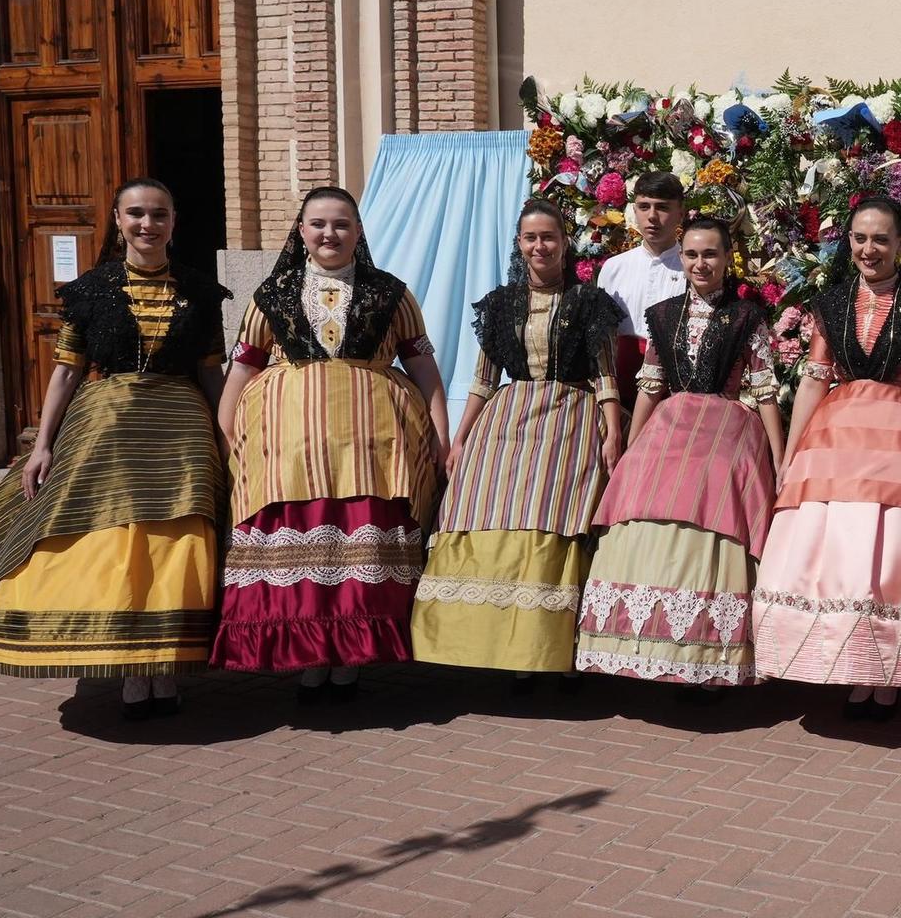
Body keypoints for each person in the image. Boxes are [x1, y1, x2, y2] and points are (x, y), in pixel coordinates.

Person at [0, 179, 228, 718]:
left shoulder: (203, 292)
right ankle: (130, 666)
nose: (148, 224)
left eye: (159, 214)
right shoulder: (89, 289)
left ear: (174, 222)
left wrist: (227, 439)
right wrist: (42, 445)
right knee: (110, 539)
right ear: (117, 220)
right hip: (107, 421)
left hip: (180, 426)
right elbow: (66, 371)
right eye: (136, 214)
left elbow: (210, 373)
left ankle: (167, 664)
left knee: (175, 540)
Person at [211, 187, 450, 700]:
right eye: (318, 224)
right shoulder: (272, 293)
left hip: (371, 446)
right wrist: (225, 428)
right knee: (306, 539)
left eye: (341, 224)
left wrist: (440, 429)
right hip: (291, 447)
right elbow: (245, 364)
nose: (329, 234)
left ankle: (350, 661)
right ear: (301, 232)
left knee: (356, 542)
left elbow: (423, 364)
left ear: (359, 232)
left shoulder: (391, 293)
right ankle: (309, 657)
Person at [752, 196, 901, 719]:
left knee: (894, 551)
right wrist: (794, 449)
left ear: (900, 246)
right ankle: (848, 664)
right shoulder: (831, 302)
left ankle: (889, 672)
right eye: (859, 238)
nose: (869, 249)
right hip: (837, 438)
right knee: (841, 549)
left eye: (880, 240)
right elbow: (813, 378)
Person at [411, 201, 625, 687]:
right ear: (519, 243)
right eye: (530, 237)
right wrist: (461, 437)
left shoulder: (589, 303)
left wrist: (613, 434)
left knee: (553, 519)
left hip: (570, 419)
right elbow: (483, 379)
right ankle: (493, 645)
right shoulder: (501, 303)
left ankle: (547, 647)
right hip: (508, 417)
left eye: (548, 236)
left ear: (565, 242)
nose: (539, 246)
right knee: (488, 506)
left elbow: (605, 376)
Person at [577, 215, 785, 690]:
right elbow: (650, 387)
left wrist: (780, 458)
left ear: (729, 258)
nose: (699, 263)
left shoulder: (746, 316)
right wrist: (631, 452)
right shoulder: (664, 313)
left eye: (710, 254)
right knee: (644, 490)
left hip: (728, 424)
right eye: (691, 254)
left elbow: (764, 390)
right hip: (670, 427)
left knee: (712, 487)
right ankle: (638, 645)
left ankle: (704, 655)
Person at [596, 171, 687, 406]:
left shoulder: (692, 270)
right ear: (634, 211)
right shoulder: (613, 268)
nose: (652, 216)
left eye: (663, 207)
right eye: (644, 206)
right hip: (619, 392)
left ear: (680, 212)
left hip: (674, 394)